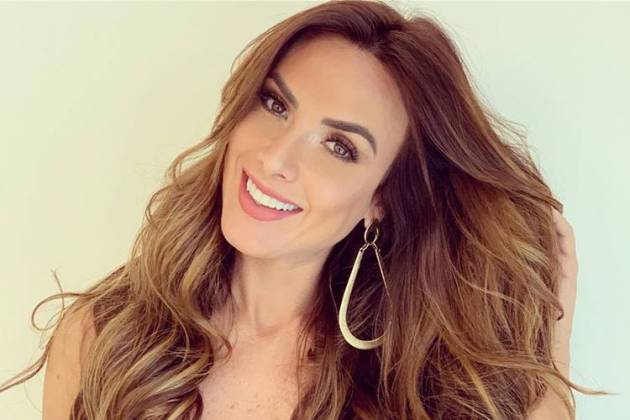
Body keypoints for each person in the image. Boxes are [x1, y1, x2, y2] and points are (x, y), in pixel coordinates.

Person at [0, 1, 610, 419]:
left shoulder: (415, 392)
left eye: (339, 147)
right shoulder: (104, 338)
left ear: (381, 201)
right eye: (275, 105)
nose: (274, 158)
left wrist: (550, 355)